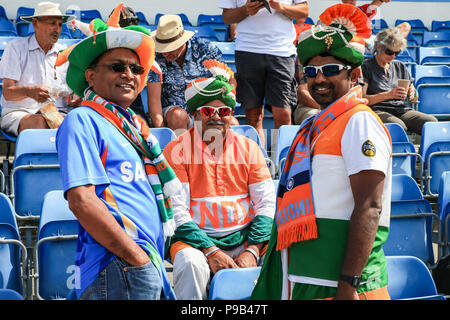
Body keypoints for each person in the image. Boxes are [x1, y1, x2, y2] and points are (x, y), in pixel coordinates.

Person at [251, 4, 392, 300]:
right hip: (307, 276)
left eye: (330, 70)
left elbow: (369, 206)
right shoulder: (315, 125)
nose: (319, 79)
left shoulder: (359, 121)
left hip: (341, 285)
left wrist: (348, 285)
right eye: (311, 72)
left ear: (353, 75)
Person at [54, 6, 178, 300]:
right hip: (118, 266)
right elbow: (82, 200)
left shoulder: (134, 129)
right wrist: (135, 257)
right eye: (117, 66)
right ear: (91, 76)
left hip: (141, 266)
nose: (129, 74)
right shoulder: (82, 120)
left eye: (136, 69)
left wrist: (145, 263)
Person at [163, 60, 276, 300]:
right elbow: (177, 213)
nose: (216, 117)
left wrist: (253, 251)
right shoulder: (176, 151)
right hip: (195, 241)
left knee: (284, 253)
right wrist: (211, 251)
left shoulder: (249, 148)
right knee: (190, 263)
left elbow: (266, 205)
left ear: (231, 115)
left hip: (245, 237)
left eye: (223, 111)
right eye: (207, 111)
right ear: (194, 114)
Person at [220, 0, 309, 146]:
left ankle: (281, 164)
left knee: (283, 113)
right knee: (253, 115)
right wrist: (246, 10)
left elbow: (304, 11)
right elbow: (227, 18)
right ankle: (258, 163)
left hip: (282, 52)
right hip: (248, 50)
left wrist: (280, 6)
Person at [148, 14, 238, 133]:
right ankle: (180, 151)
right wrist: (161, 134)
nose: (165, 53)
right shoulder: (154, 57)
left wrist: (226, 98)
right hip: (173, 111)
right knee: (178, 116)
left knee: (233, 123)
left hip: (205, 109)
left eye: (170, 48)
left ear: (182, 42)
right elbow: (154, 102)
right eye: (162, 48)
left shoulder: (206, 49)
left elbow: (230, 79)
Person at [0, 2, 78, 136]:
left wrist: (75, 98)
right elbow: (7, 93)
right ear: (35, 23)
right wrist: (30, 92)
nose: (58, 30)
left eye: (60, 25)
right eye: (52, 23)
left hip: (58, 113)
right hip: (20, 112)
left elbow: (70, 94)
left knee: (80, 122)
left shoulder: (64, 54)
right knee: (40, 123)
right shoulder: (16, 47)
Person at [362, 27, 437, 135]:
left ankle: (424, 150)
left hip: (401, 109)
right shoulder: (366, 67)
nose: (393, 56)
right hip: (377, 110)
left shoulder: (399, 66)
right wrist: (388, 95)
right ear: (378, 47)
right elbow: (363, 98)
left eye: (396, 53)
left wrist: (413, 93)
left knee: (431, 122)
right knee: (398, 126)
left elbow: (415, 96)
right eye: (389, 52)